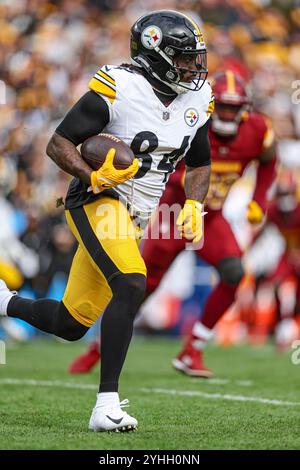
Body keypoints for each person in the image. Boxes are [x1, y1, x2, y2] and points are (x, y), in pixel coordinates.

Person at [0, 10, 213, 431]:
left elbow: (201, 162)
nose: (193, 68)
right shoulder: (119, 86)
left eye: (195, 59)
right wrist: (91, 174)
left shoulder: (196, 99)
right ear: (156, 56)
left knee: (71, 323)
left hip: (138, 213)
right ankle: (106, 406)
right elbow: (58, 143)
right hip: (97, 197)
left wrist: (193, 204)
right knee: (133, 280)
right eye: (184, 59)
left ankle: (4, 303)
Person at [68, 70, 277, 379]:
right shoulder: (192, 120)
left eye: (236, 108)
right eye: (225, 107)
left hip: (210, 217)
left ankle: (193, 349)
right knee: (141, 284)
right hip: (173, 213)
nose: (229, 114)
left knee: (234, 272)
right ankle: (99, 348)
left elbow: (269, 161)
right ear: (212, 104)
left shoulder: (258, 129)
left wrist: (259, 199)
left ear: (246, 109)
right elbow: (167, 165)